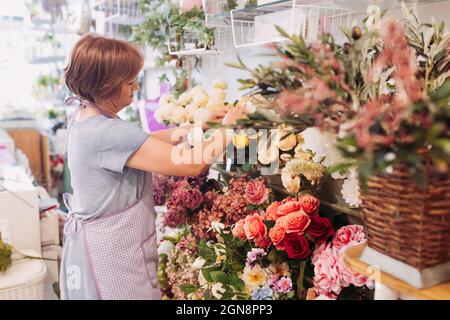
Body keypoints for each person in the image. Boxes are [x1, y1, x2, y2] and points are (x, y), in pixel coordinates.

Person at [60, 33, 244, 300]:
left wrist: (196, 128)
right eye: (129, 80)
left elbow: (139, 145)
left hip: (97, 245)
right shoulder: (107, 131)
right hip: (113, 257)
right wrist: (228, 128)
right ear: (105, 86)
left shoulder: (85, 117)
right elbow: (191, 164)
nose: (135, 86)